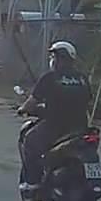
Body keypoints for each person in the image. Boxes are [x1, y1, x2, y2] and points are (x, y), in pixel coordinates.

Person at [18, 40, 92, 191]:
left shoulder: (50, 78)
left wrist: (22, 109)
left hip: (55, 126)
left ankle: (33, 181)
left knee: (30, 141)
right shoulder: (82, 78)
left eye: (55, 57)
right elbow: (88, 101)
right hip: (80, 127)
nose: (54, 60)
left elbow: (32, 102)